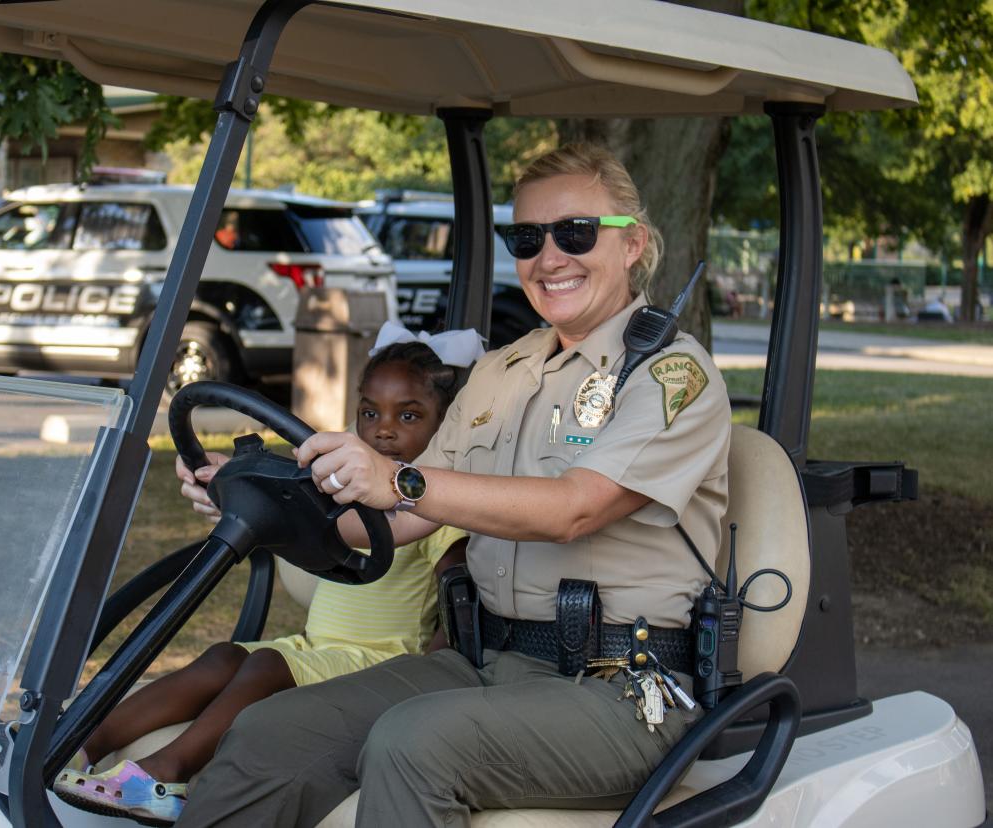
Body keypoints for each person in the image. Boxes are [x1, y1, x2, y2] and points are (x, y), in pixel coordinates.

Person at [174, 143, 731, 827]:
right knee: (274, 730)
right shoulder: (504, 371)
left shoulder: (670, 375)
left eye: (575, 233)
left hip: (620, 690)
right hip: (484, 660)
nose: (549, 257)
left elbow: (574, 510)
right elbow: (398, 519)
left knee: (412, 745)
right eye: (527, 238)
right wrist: (256, 497)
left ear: (633, 244)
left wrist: (398, 478)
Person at [53, 339, 473, 825]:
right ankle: (79, 741)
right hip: (318, 647)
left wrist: (432, 674)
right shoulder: (343, 492)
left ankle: (166, 772)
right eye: (369, 413)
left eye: (408, 416)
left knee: (268, 664)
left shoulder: (434, 510)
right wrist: (224, 476)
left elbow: (456, 594)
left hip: (377, 663)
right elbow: (287, 505)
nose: (382, 430)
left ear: (444, 428)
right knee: (223, 656)